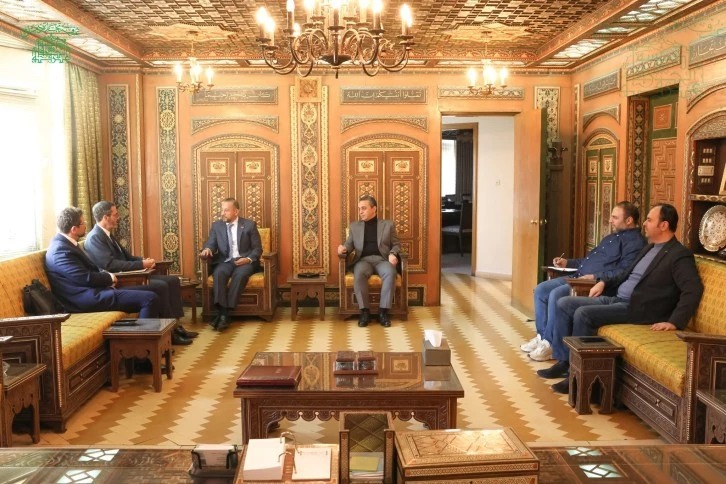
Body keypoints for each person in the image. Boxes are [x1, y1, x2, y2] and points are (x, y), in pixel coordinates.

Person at [539, 203, 704, 394]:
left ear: (664, 225)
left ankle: (578, 378)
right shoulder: (649, 248)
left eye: (649, 220)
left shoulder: (679, 254)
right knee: (564, 303)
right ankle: (564, 361)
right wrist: (603, 282)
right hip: (617, 298)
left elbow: (693, 289)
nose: (644, 223)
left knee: (583, 313)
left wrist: (674, 321)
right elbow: (624, 273)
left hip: (639, 308)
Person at [521, 201, 645, 361]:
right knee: (541, 290)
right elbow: (587, 261)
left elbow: (623, 270)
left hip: (591, 284)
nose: (610, 220)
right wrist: (568, 263)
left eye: (615, 217)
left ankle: (550, 344)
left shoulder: (635, 243)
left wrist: (596, 277)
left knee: (556, 294)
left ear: (629, 220)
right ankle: (542, 337)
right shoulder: (611, 238)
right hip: (577, 276)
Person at [83, 201, 197, 345]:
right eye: (115, 215)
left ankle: (176, 326)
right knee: (161, 286)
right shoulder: (95, 238)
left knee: (172, 280)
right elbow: (110, 265)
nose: (118, 217)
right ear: (106, 217)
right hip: (121, 281)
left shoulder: (108, 235)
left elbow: (128, 257)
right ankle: (171, 334)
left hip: (130, 276)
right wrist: (141, 265)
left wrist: (144, 260)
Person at [45, 207, 159, 318]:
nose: (86, 225)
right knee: (149, 298)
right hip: (83, 299)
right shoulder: (59, 250)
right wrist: (109, 278)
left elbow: (89, 270)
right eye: (83, 223)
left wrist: (106, 276)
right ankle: (144, 332)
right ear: (74, 229)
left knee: (156, 290)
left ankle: (163, 331)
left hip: (94, 291)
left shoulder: (68, 244)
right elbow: (84, 278)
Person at [337, 195, 401, 328]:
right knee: (359, 273)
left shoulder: (388, 225)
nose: (360, 212)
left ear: (374, 209)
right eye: (359, 208)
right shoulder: (354, 226)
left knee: (390, 272)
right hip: (363, 260)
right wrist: (343, 248)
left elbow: (396, 244)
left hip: (382, 259)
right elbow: (349, 245)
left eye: (364, 208)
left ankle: (383, 312)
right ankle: (364, 311)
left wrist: (393, 253)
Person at [199, 198, 262, 331]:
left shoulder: (249, 225)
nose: (223, 213)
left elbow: (257, 249)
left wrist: (248, 259)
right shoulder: (217, 226)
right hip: (226, 261)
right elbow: (211, 243)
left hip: (244, 262)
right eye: (222, 210)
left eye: (226, 210)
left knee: (240, 275)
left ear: (236, 211)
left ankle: (224, 314)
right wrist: (208, 249)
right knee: (219, 273)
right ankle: (224, 314)